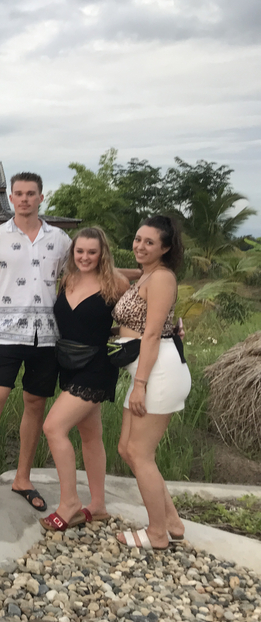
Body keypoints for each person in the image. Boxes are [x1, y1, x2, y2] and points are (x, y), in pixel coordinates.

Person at [0, 172, 72, 516]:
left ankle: (22, 478)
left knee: (35, 403)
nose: (25, 199)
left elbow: (80, 280)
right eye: (19, 194)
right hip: (4, 332)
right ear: (11, 198)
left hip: (47, 335)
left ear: (42, 197)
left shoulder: (60, 239)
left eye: (31, 193)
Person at [40, 227, 129, 531]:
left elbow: (138, 317)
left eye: (92, 252)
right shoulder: (68, 279)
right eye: (80, 251)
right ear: (72, 252)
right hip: (69, 362)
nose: (85, 257)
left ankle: (70, 504)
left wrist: (172, 329)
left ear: (102, 253)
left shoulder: (115, 284)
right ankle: (99, 505)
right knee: (90, 435)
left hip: (97, 365)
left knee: (53, 427)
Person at [113, 215, 190, 550]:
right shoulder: (148, 275)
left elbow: (154, 332)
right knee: (127, 449)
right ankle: (171, 520)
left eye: (149, 242)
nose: (140, 246)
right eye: (138, 239)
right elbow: (117, 275)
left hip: (158, 373)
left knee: (139, 453)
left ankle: (157, 534)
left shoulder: (161, 279)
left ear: (166, 248)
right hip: (147, 371)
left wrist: (141, 384)